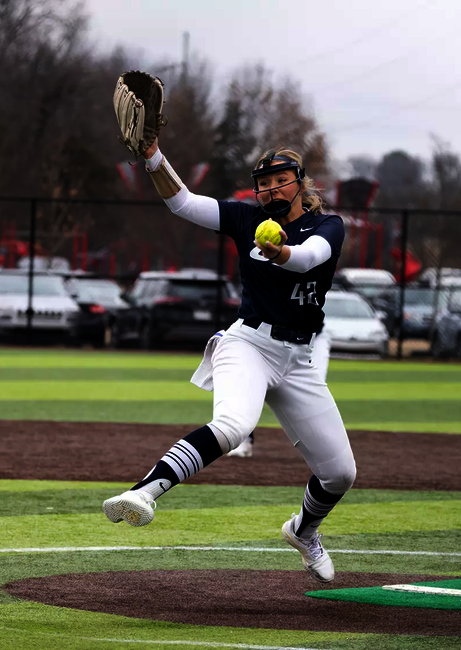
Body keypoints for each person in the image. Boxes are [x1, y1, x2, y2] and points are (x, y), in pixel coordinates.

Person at [101, 137, 355, 583]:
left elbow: (309, 258)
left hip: (299, 357)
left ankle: (303, 531)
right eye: (264, 183)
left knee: (340, 473)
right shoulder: (246, 217)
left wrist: (278, 252)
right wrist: (153, 156)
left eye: (281, 181)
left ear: (300, 185)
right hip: (248, 344)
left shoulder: (327, 224)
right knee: (235, 427)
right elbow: (182, 203)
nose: (273, 189)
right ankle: (143, 492)